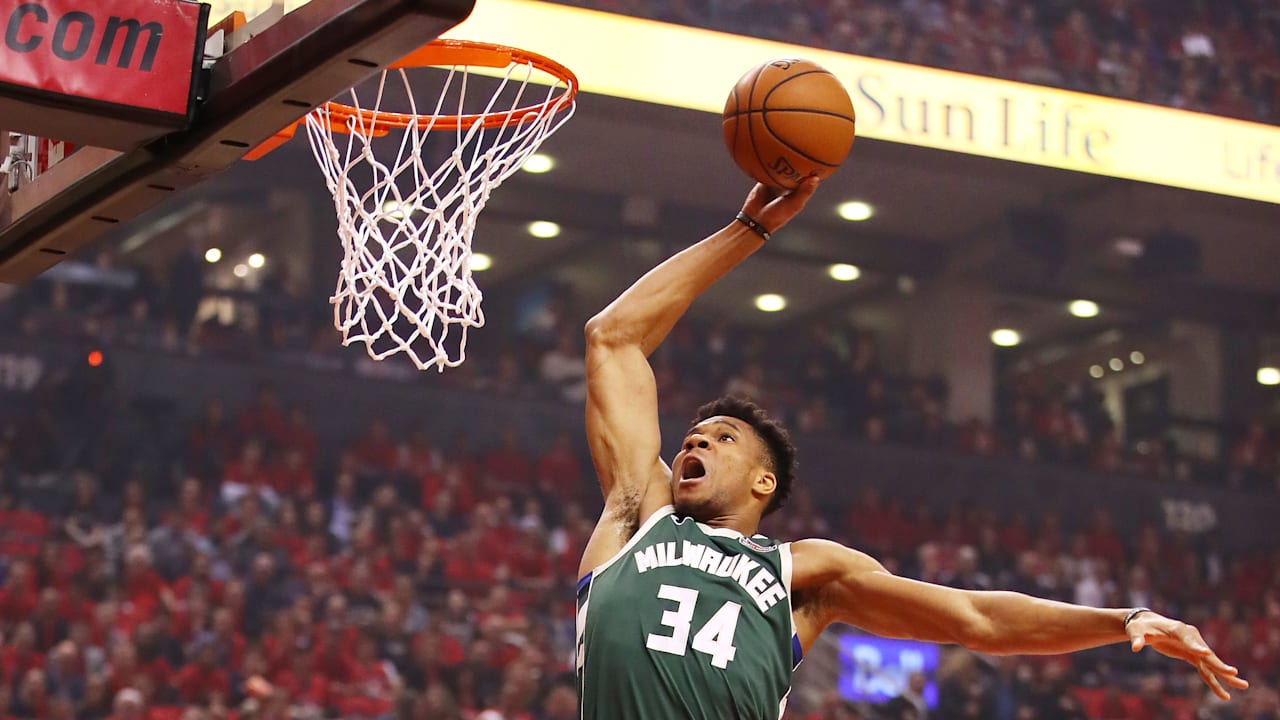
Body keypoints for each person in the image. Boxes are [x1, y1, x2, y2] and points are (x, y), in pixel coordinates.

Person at [574, 178, 1248, 719]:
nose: (696, 439)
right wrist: (749, 227)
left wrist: (1124, 618)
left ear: (763, 483)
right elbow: (613, 337)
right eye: (694, 436)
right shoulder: (639, 511)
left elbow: (977, 618)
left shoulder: (805, 575)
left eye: (725, 438)